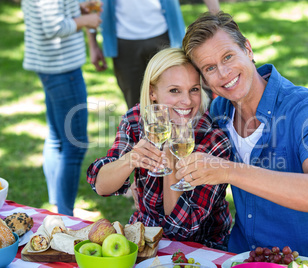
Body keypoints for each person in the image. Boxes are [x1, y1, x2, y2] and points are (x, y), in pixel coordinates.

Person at [177, 12, 308, 266]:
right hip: (242, 258)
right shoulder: (219, 114)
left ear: (247, 49)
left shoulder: (306, 108)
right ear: (204, 79)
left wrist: (228, 171)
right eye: (210, 68)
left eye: (228, 56)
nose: (224, 73)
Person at [87, 48, 232, 249]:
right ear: (152, 93)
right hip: (144, 236)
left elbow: (182, 229)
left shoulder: (213, 139)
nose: (187, 101)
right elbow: (101, 186)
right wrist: (129, 160)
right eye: (174, 90)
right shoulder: (137, 120)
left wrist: (169, 153)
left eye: (194, 89)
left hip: (201, 248)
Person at [21, 0, 102, 216]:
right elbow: (53, 27)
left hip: (51, 66)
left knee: (57, 136)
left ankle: (58, 210)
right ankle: (65, 216)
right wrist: (87, 20)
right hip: (61, 68)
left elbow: (52, 15)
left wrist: (78, 11)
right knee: (74, 145)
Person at [87, 0, 220, 110]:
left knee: (184, 98)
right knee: (136, 106)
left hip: (165, 36)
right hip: (124, 43)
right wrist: (93, 45)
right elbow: (90, 5)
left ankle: (193, 139)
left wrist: (218, 28)